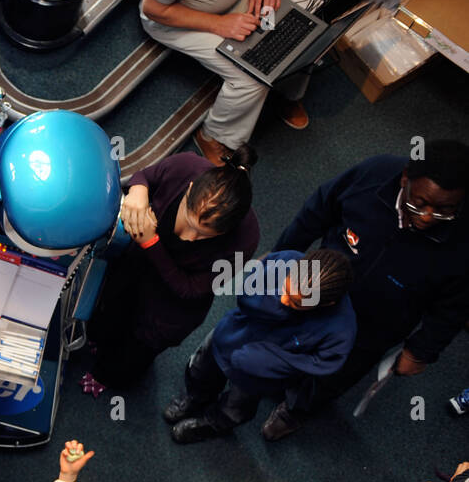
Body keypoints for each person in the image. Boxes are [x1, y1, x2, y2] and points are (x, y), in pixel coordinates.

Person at [267, 140, 469, 439]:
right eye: (420, 203)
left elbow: (454, 307)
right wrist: (279, 260)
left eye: (444, 210)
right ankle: (275, 371)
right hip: (319, 288)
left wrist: (421, 351)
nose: (428, 217)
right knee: (289, 334)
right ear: (405, 179)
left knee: (335, 374)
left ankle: (297, 408)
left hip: (375, 327)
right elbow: (316, 212)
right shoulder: (374, 174)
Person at [85, 149, 260, 392]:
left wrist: (151, 243)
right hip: (135, 269)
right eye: (190, 219)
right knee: (112, 311)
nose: (189, 236)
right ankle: (101, 341)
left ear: (227, 231)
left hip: (168, 308)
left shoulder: (246, 239)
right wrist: (138, 191)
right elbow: (144, 176)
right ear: (189, 189)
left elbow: (190, 290)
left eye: (204, 234)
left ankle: (106, 376)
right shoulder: (185, 166)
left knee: (134, 351)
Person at [166, 248, 356, 443]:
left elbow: (319, 364)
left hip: (260, 373)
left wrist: (266, 360)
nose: (284, 298)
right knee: (200, 369)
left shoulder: (341, 331)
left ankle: (212, 424)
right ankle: (195, 398)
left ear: (326, 303)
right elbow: (246, 293)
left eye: (296, 302)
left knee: (236, 406)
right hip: (234, 333)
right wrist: (278, 307)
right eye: (286, 289)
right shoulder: (286, 260)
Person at [140, 0, 309, 164]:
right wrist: (218, 23)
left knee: (299, 30)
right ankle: (214, 136)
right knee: (250, 75)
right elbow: (153, 9)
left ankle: (283, 92)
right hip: (177, 16)